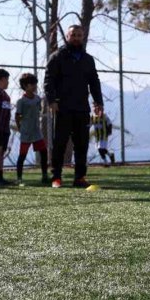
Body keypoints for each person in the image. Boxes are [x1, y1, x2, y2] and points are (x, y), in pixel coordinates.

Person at [44, 25, 104, 188]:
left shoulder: (88, 59)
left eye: (79, 35)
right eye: (73, 35)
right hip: (63, 108)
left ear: (82, 37)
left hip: (82, 109)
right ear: (68, 37)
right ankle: (56, 177)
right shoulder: (57, 57)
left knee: (82, 144)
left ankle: (80, 177)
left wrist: (98, 102)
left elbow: (94, 82)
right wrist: (52, 101)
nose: (76, 38)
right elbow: (49, 80)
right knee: (60, 144)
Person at [14, 73, 49, 186]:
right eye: (31, 84)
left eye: (35, 84)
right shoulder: (21, 101)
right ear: (25, 86)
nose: (34, 86)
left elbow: (38, 111)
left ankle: (44, 176)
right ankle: (19, 178)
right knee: (22, 155)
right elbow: (18, 116)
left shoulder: (38, 99)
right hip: (26, 132)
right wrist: (20, 128)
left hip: (36, 132)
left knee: (43, 152)